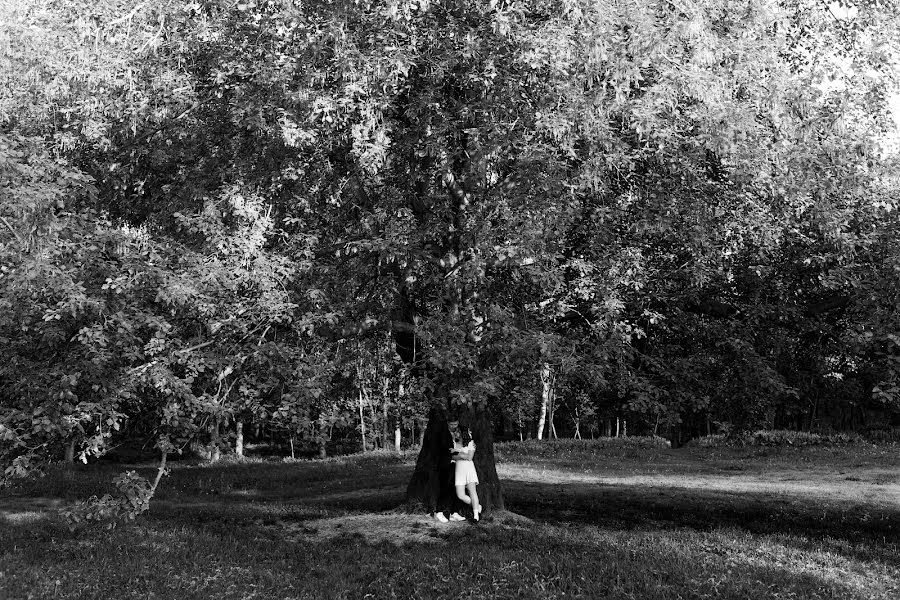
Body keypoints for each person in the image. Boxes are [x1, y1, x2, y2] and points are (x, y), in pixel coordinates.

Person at [449, 424, 481, 521]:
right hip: (459, 470)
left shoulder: (470, 443)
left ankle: (476, 515)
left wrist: (458, 453)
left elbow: (470, 457)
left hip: (469, 469)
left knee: (472, 492)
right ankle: (477, 506)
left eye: (458, 431)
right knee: (460, 495)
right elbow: (452, 457)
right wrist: (462, 455)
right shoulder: (454, 442)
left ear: (462, 433)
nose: (456, 433)